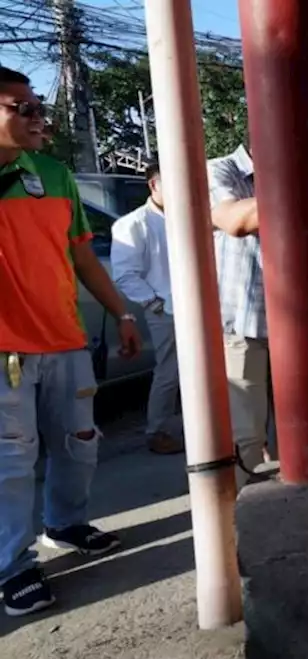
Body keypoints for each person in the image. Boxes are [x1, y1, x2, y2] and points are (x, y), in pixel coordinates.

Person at [0, 66, 141, 616]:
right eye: (21, 108)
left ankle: (65, 524)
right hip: (5, 353)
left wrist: (121, 312)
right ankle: (12, 566)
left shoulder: (54, 175)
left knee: (79, 443)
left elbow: (83, 255)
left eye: (39, 107)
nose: (39, 118)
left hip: (64, 340)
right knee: (11, 462)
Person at [208, 139, 271, 488]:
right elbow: (233, 219)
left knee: (296, 431)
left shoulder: (284, 170)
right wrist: (296, 184)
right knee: (246, 435)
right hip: (243, 324)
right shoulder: (220, 170)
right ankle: (231, 527)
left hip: (293, 324)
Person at [111, 161, 183, 456]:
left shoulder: (186, 215)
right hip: (167, 309)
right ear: (154, 184)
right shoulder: (133, 224)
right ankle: (158, 431)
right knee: (169, 373)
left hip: (202, 304)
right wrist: (154, 304)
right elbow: (125, 274)